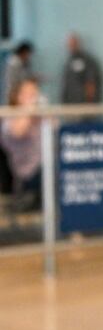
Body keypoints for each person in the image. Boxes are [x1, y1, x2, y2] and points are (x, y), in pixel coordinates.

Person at [0, 77, 44, 209]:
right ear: (18, 96)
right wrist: (29, 109)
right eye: (30, 94)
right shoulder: (9, 119)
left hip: (47, 169)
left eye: (35, 93)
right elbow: (18, 131)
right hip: (28, 175)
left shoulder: (38, 117)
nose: (35, 97)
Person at [60, 31, 102, 104]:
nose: (71, 46)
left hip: (83, 102)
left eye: (73, 44)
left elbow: (91, 82)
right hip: (70, 102)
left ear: (78, 44)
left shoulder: (87, 60)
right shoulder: (69, 61)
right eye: (69, 44)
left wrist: (90, 101)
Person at [1, 40, 35, 105]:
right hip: (13, 90)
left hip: (15, 91)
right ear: (24, 52)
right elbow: (15, 79)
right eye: (28, 53)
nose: (29, 56)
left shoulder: (21, 62)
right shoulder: (14, 62)